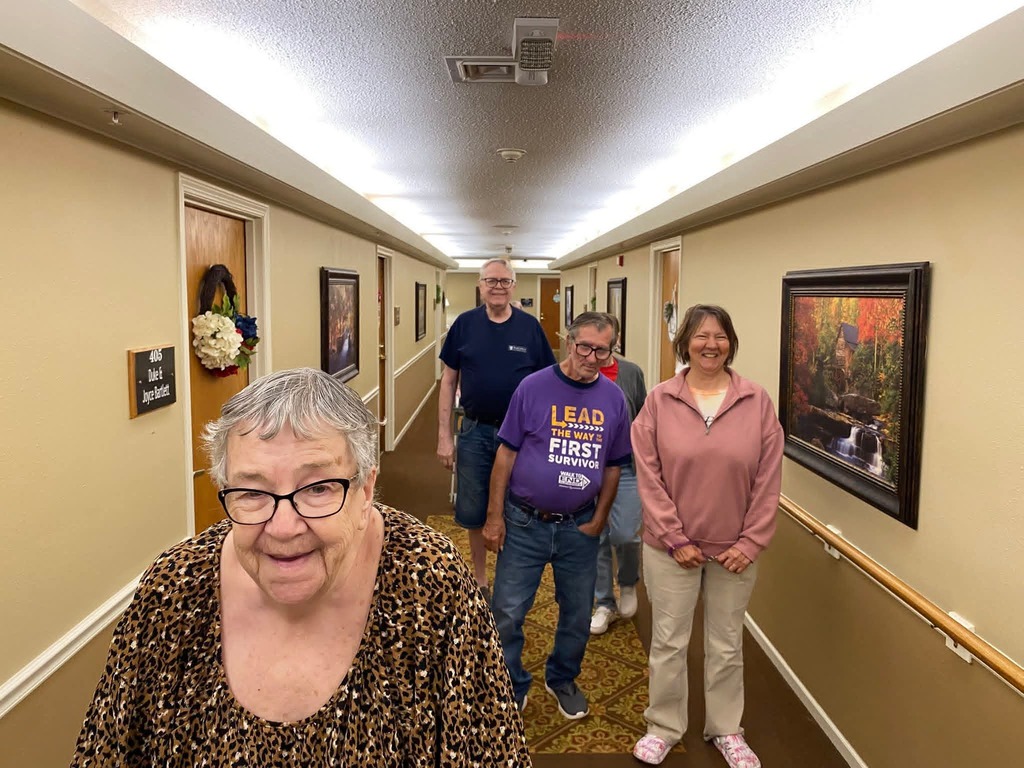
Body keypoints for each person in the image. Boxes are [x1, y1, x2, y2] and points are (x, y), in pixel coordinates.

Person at [72, 368, 531, 767]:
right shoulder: (174, 588)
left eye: (317, 488)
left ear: (365, 489)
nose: (284, 526)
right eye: (252, 492)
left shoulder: (431, 583)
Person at [629, 305, 783, 768]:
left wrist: (750, 543)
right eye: (700, 336)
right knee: (669, 642)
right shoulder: (660, 400)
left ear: (730, 343)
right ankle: (663, 726)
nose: (710, 345)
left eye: (719, 336)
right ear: (685, 344)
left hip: (735, 552)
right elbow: (648, 477)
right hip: (670, 549)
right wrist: (674, 538)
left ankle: (726, 729)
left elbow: (768, 479)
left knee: (726, 644)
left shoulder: (756, 401)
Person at [484, 312, 633, 719]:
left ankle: (562, 678)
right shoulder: (533, 387)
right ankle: (510, 681)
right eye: (584, 346)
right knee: (508, 610)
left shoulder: (613, 399)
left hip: (579, 526)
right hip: (524, 521)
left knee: (577, 613)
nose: (591, 357)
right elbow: (505, 455)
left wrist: (600, 518)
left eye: (602, 350)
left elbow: (614, 465)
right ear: (569, 343)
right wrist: (494, 518)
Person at [437, 258, 556, 597]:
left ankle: (507, 578)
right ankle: (480, 580)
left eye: (505, 281)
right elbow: (448, 381)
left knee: (515, 508)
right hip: (475, 432)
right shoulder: (464, 324)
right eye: (491, 281)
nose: (498, 287)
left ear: (513, 286)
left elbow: (547, 384)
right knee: (474, 510)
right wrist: (444, 436)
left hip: (521, 438)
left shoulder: (530, 328)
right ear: (480, 285)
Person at [589, 322, 647, 635]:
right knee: (595, 534)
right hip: (587, 468)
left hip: (625, 467)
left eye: (604, 342)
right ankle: (604, 603)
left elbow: (643, 418)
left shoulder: (631, 373)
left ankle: (627, 582)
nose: (595, 350)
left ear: (615, 341)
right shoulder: (575, 373)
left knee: (625, 533)